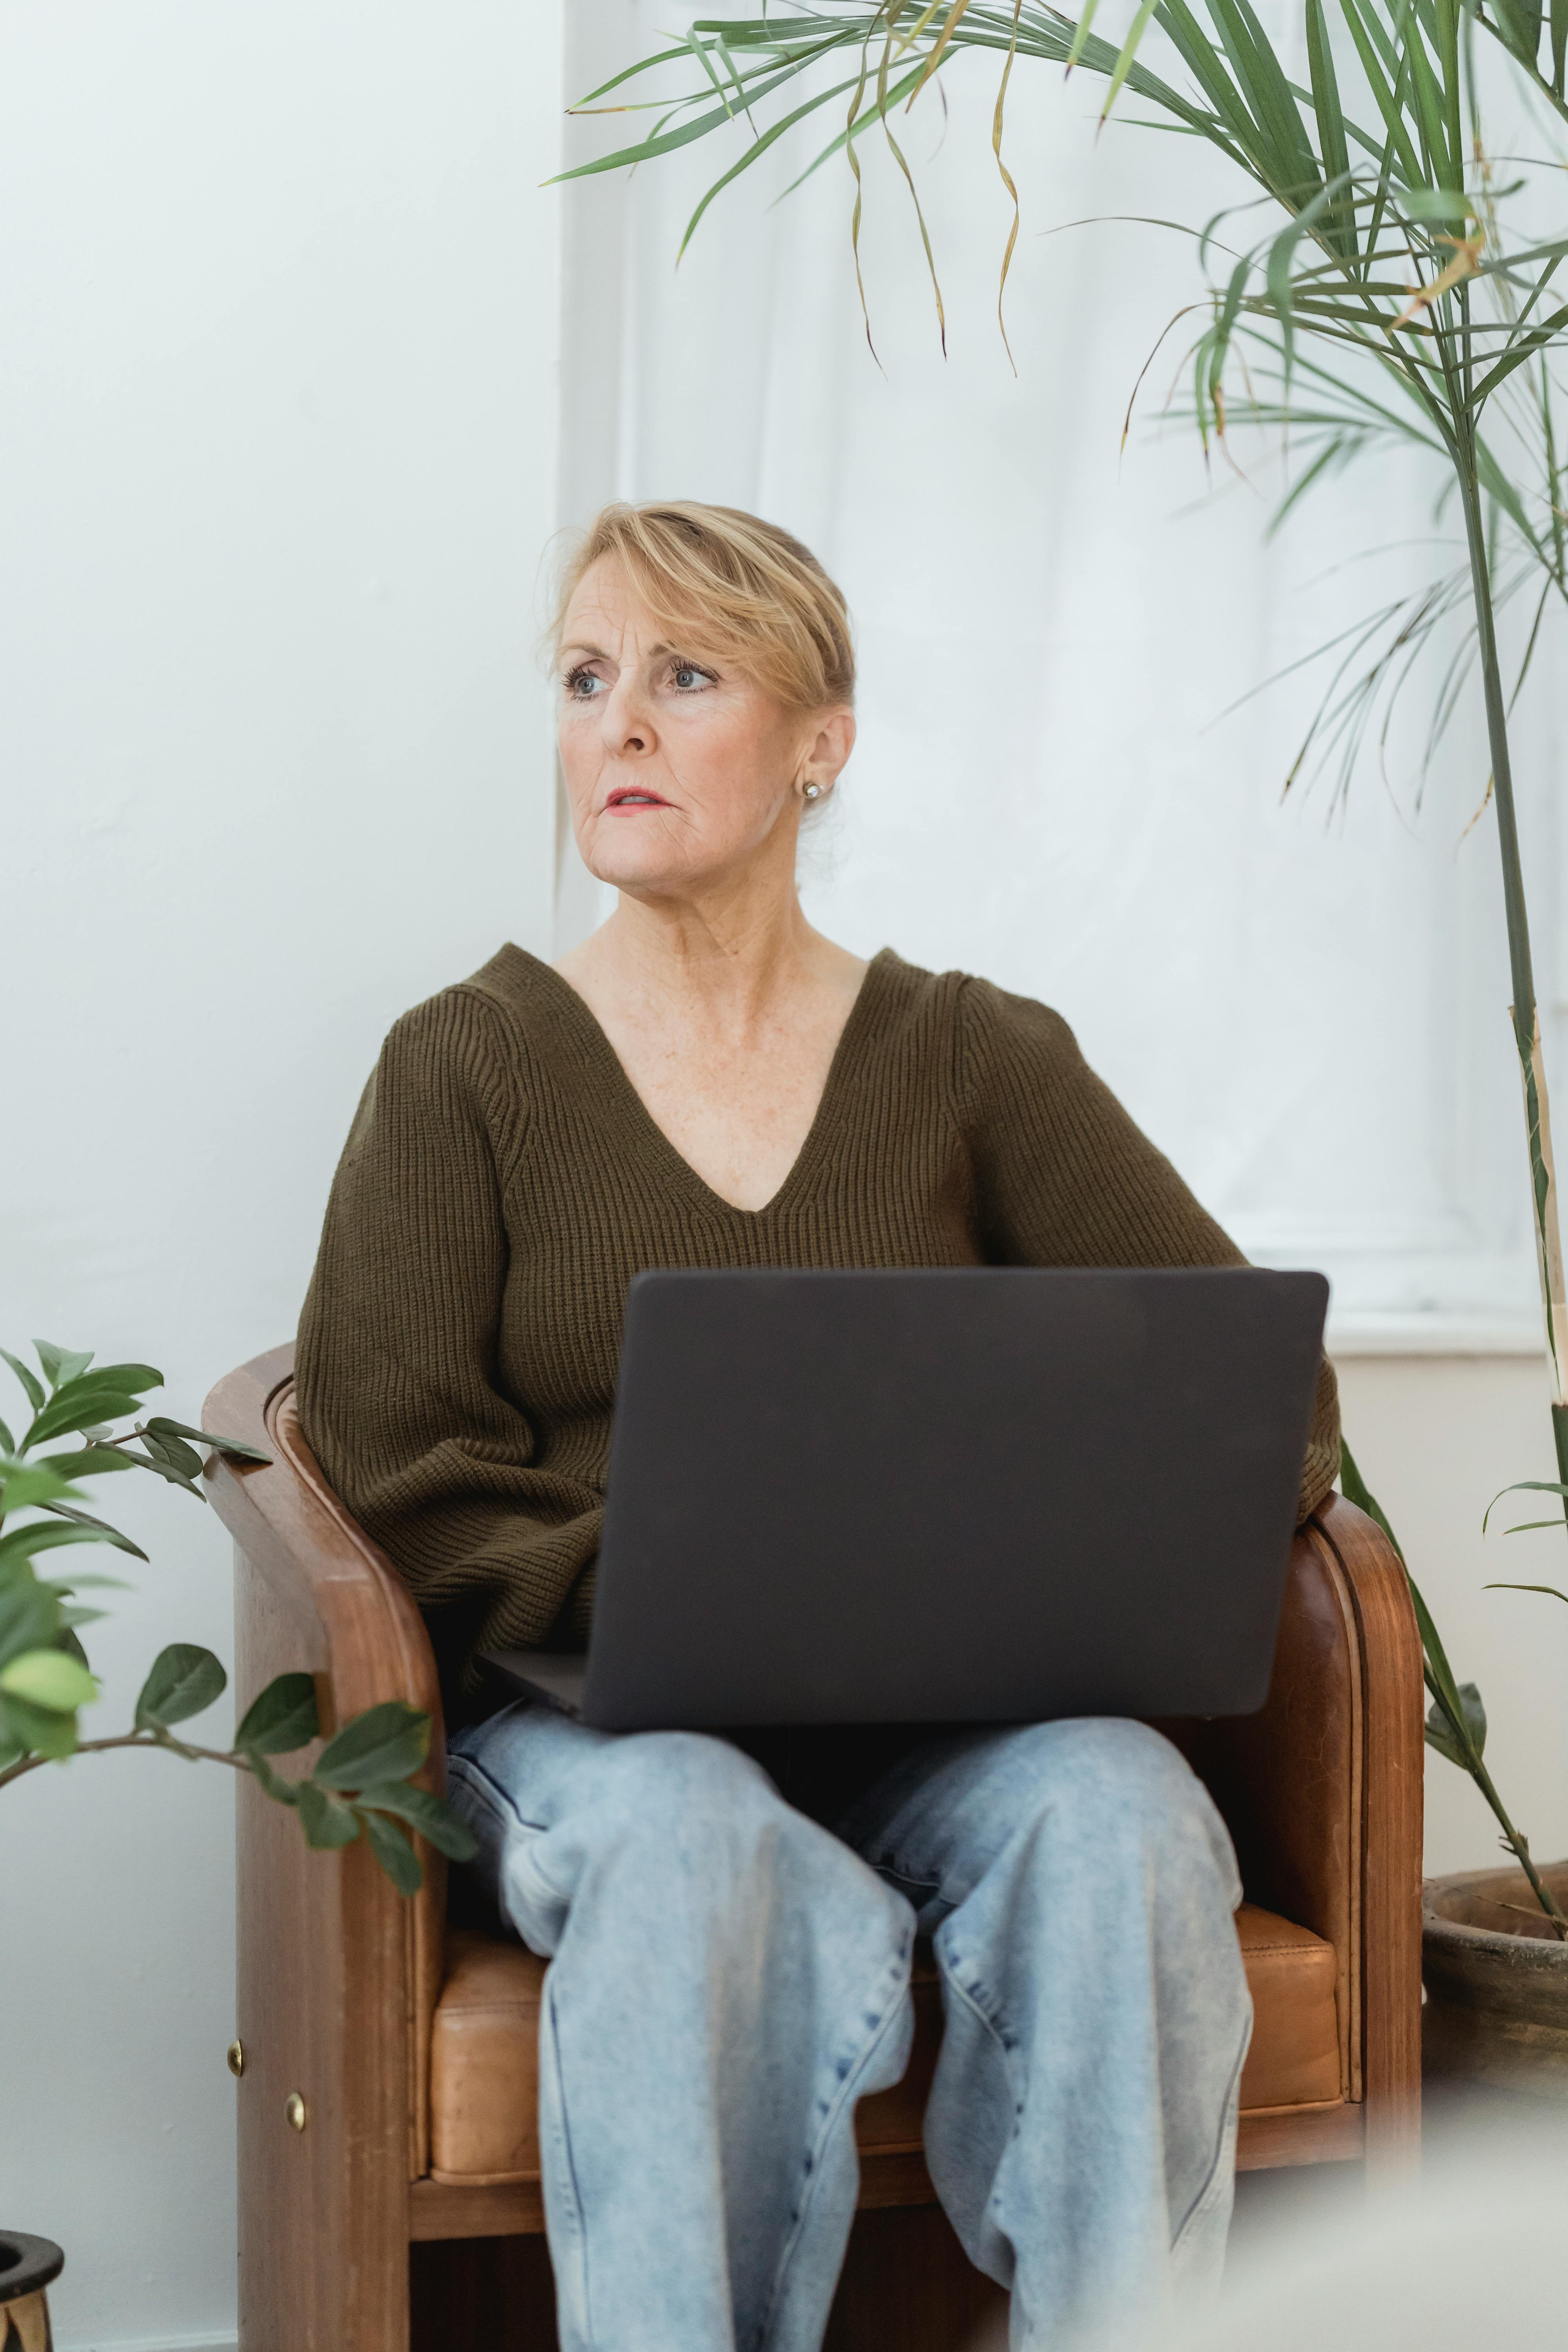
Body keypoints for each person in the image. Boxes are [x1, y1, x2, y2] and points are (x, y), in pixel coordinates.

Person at [296, 499, 1340, 2352]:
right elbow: (394, 1460)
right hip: (589, 1722)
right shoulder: (459, 1065)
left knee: (1121, 1812)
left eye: (684, 678)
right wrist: (680, 1568)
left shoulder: (972, 1057)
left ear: (816, 749)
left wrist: (988, 1553)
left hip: (936, 1723)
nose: (615, 725)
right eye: (585, 678)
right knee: (691, 1825)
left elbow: (1246, 1391)